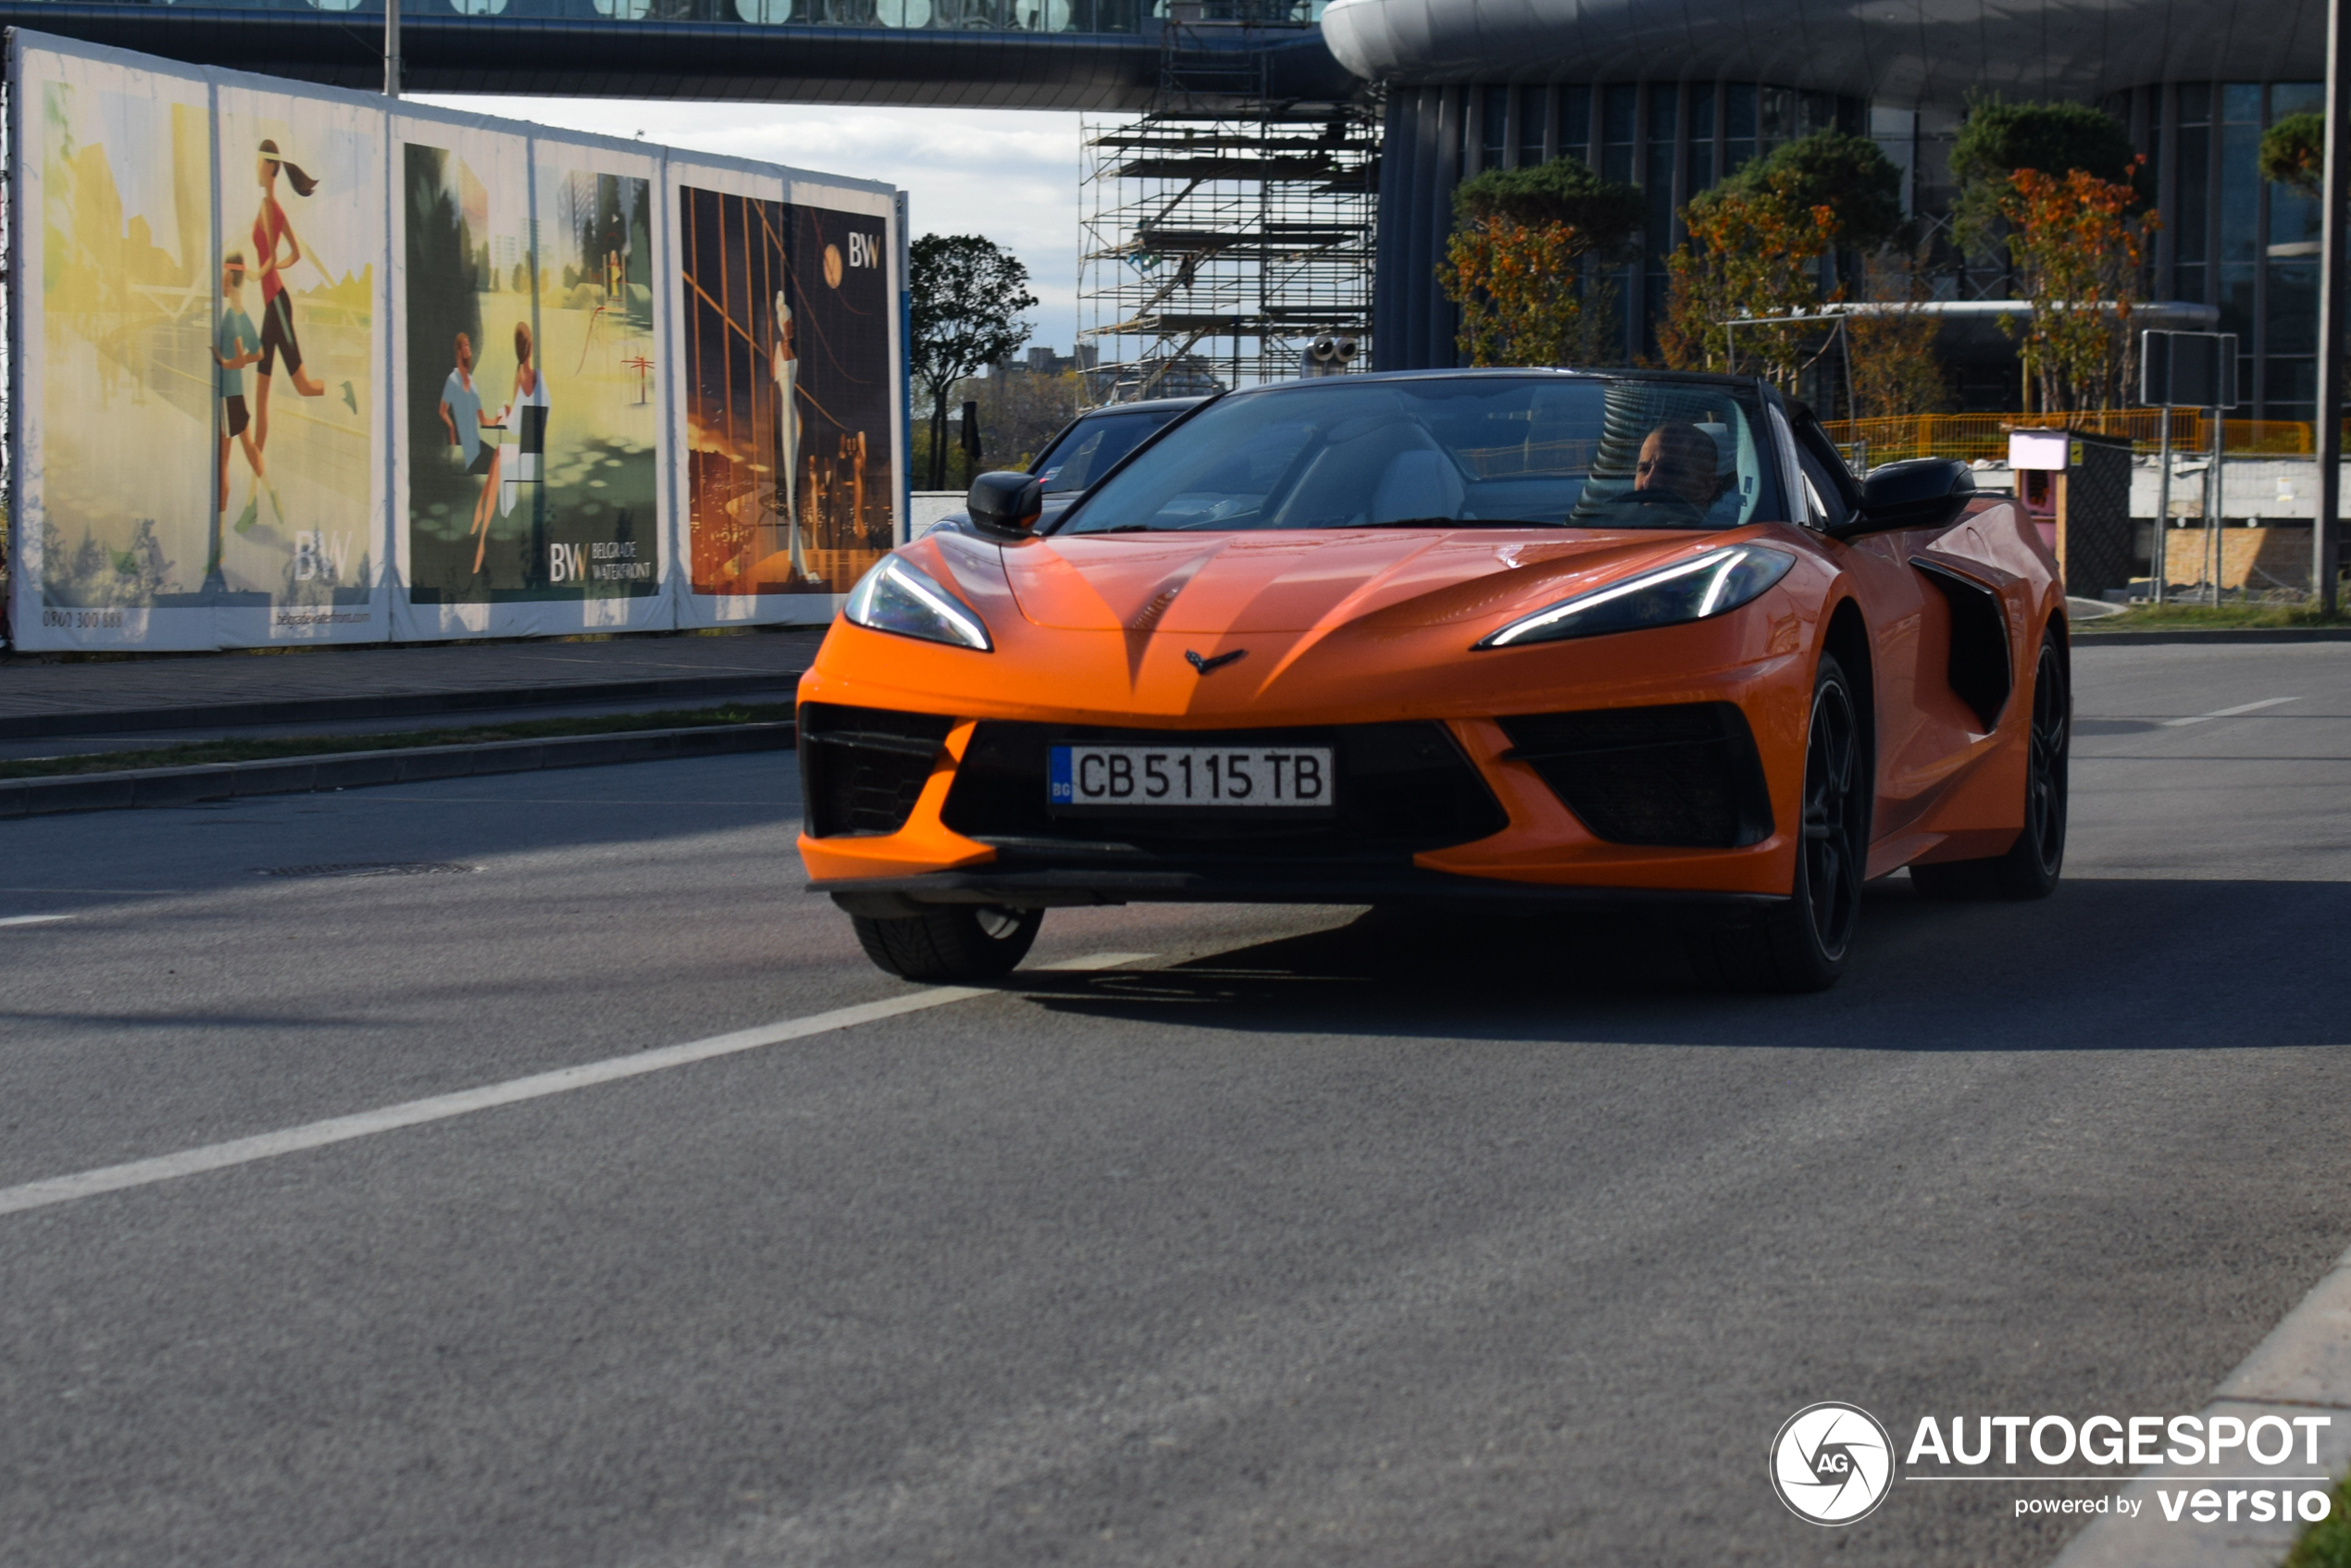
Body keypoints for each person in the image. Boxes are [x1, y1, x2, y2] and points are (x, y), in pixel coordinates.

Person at [251, 138, 328, 475]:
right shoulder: (268, 207)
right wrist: (274, 268)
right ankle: (257, 467)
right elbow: (291, 254)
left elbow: (271, 254)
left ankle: (343, 390)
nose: (255, 169)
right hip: (273, 305)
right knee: (262, 394)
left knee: (304, 387)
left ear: (270, 168)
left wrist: (263, 272)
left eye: (258, 163)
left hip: (277, 307)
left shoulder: (271, 209)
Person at [480, 321, 548, 573]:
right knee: (499, 455)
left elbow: (514, 429)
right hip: (539, 452)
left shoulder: (520, 376)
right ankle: (486, 516)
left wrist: (507, 414)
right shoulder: (540, 377)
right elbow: (539, 414)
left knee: (498, 455)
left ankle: (490, 519)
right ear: (531, 348)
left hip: (526, 458)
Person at [213, 254, 270, 541]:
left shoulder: (230, 317)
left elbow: (237, 358)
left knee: (222, 463)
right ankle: (267, 495)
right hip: (237, 396)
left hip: (227, 395)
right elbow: (258, 353)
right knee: (249, 448)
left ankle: (219, 535)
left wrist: (224, 361)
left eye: (223, 278)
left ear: (230, 279)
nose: (220, 283)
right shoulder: (241, 313)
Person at [440, 331, 504, 560]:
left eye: (469, 344)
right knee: (498, 459)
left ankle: (480, 520)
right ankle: (482, 528)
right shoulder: (453, 380)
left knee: (499, 457)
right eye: (465, 345)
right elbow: (442, 411)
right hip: (467, 448)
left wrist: (497, 419)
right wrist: (451, 428)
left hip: (475, 442)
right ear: (459, 350)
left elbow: (483, 420)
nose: (469, 349)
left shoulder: (471, 382)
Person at [769, 290, 811, 581]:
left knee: (794, 483)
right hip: (787, 418)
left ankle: (795, 559)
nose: (793, 327)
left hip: (792, 416)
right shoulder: (781, 349)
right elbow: (782, 390)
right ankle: (795, 561)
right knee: (791, 484)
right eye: (790, 322)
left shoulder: (786, 348)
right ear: (783, 322)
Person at [1633, 422, 1726, 516]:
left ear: (1707, 487)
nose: (1648, 482)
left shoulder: (1727, 529)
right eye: (1644, 469)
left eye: (1669, 471)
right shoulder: (1620, 523)